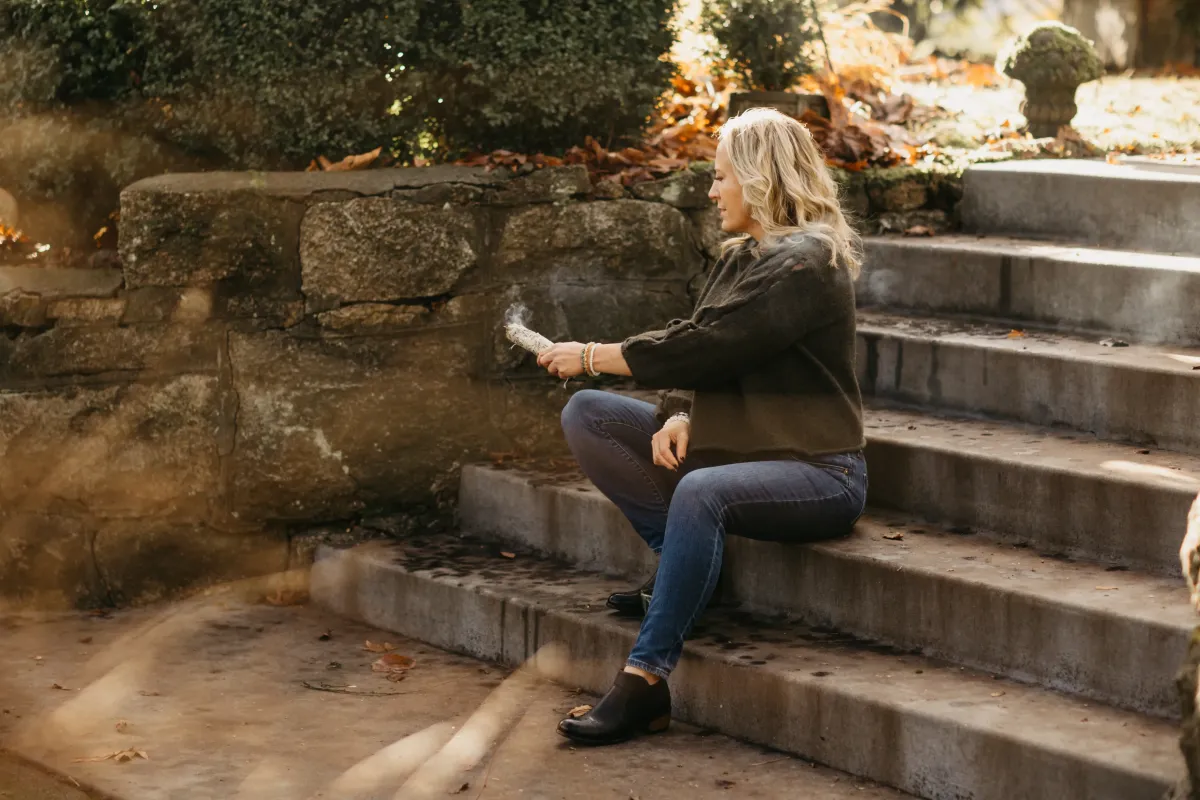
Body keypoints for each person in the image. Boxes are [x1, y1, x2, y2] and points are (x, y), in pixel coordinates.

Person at [536, 107, 868, 746]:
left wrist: (589, 356)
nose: (712, 192)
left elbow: (710, 344)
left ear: (759, 177)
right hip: (740, 450)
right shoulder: (743, 257)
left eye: (721, 178)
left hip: (821, 471)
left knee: (699, 489)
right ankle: (686, 568)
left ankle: (644, 682)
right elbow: (709, 349)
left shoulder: (806, 262)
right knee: (589, 413)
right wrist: (679, 412)